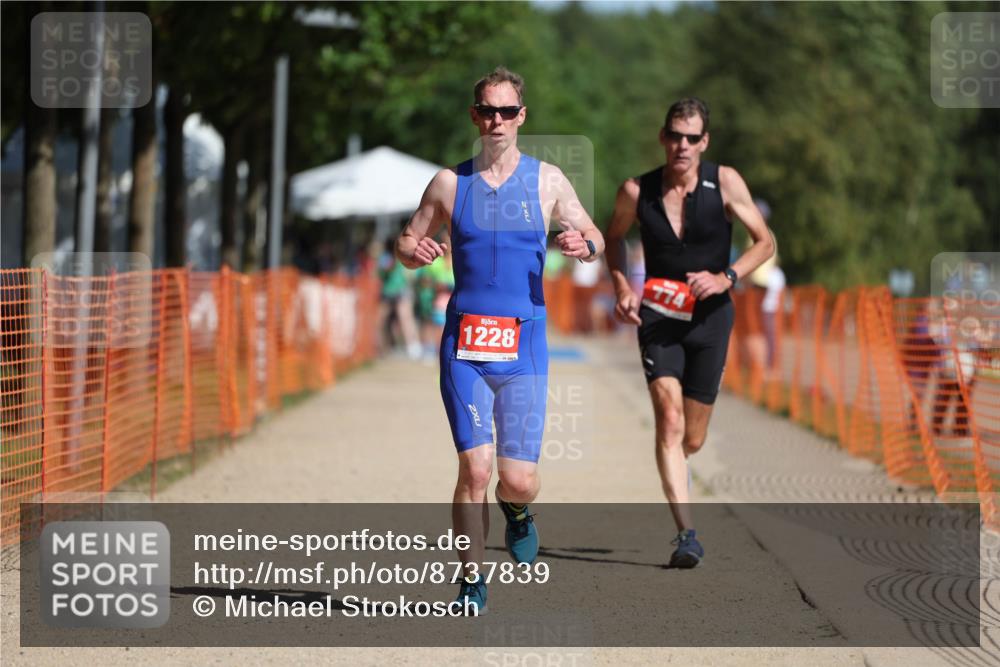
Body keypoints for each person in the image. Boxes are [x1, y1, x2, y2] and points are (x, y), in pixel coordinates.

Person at [395, 67, 604, 612]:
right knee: (475, 469)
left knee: (518, 479)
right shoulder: (448, 183)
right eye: (487, 110)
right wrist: (409, 251)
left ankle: (518, 513)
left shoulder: (548, 181)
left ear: (522, 117)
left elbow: (594, 234)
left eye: (507, 111)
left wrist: (585, 244)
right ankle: (471, 580)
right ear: (474, 115)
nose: (497, 121)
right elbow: (408, 237)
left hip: (524, 346)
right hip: (464, 343)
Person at [605, 97, 774, 568]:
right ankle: (687, 534)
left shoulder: (724, 181)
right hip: (658, 318)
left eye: (692, 138)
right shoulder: (637, 191)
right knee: (669, 420)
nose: (682, 145)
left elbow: (765, 242)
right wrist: (622, 286)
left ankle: (681, 464)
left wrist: (728, 278)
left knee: (693, 438)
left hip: (711, 319)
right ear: (663, 138)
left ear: (705, 142)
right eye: (675, 136)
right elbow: (614, 236)